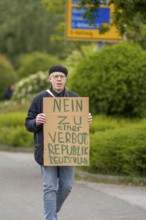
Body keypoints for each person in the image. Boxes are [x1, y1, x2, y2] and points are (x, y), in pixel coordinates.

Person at [25, 64, 92, 220]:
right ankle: (50, 218)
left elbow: (78, 125)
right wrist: (36, 121)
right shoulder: (39, 98)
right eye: (55, 76)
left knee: (67, 186)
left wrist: (86, 120)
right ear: (50, 79)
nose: (59, 79)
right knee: (49, 187)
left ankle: (51, 212)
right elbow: (28, 123)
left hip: (68, 151)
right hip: (46, 150)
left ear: (66, 78)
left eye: (62, 76)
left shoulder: (75, 99)